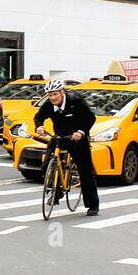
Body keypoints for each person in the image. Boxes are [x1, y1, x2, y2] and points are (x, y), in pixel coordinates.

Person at [32, 78, 99, 216]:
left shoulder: (75, 101)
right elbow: (38, 117)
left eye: (55, 94)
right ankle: (57, 192)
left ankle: (93, 205)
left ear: (62, 92)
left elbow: (90, 118)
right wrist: (39, 126)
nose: (52, 98)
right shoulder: (49, 105)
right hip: (59, 137)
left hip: (77, 138)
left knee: (85, 171)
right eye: (50, 95)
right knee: (46, 165)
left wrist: (81, 132)